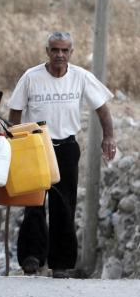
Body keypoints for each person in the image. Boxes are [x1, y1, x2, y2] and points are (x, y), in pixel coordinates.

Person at [7, 31, 115, 278]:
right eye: (55, 50)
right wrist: (15, 142)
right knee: (34, 202)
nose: (59, 55)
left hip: (66, 147)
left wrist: (108, 136)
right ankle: (32, 258)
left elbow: (102, 109)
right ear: (47, 52)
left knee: (64, 205)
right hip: (35, 145)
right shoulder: (31, 77)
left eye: (65, 50)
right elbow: (15, 111)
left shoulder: (80, 77)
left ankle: (61, 264)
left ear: (71, 53)